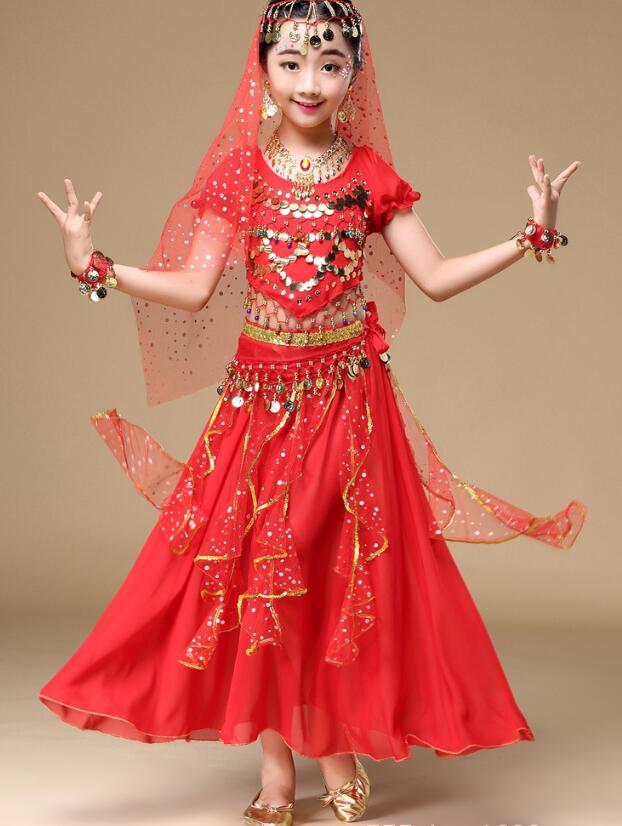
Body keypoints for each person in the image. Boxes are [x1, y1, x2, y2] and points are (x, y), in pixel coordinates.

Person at [36, 1, 587, 823]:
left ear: (353, 75)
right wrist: (96, 266)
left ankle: (328, 744)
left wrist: (530, 236)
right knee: (264, 567)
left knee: (332, 570)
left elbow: (434, 277)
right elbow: (193, 287)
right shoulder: (241, 173)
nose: (309, 81)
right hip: (260, 406)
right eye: (291, 62)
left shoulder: (367, 174)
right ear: (261, 70)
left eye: (330, 64)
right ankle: (281, 763)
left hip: (350, 407)